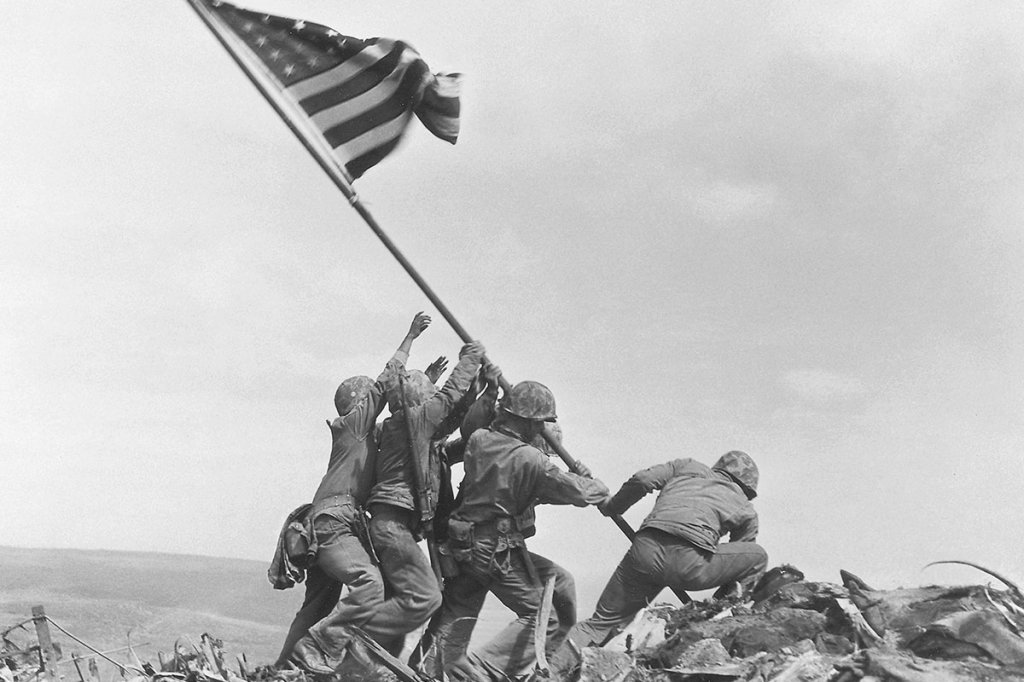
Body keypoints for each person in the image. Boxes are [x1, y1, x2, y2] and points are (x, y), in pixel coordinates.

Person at [422, 381, 609, 681]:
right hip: (494, 551)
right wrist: (593, 483)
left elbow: (527, 487)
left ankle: (426, 670)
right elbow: (578, 493)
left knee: (458, 615)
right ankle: (485, 670)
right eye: (539, 424)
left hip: (463, 546)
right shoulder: (530, 459)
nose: (540, 429)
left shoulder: (480, 440)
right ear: (528, 421)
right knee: (544, 616)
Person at [279, 312, 431, 674]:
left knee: (317, 605)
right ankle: (320, 651)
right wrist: (409, 338)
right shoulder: (353, 425)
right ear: (359, 404)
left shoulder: (359, 436)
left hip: (324, 523)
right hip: (335, 522)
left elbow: (403, 413)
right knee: (370, 584)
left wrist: (427, 384)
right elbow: (385, 384)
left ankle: (281, 670)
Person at [548, 451, 768, 678]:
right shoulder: (745, 508)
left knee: (599, 624)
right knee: (758, 556)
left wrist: (614, 507)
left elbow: (643, 480)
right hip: (690, 565)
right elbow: (739, 561)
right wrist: (721, 601)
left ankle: (549, 673)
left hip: (644, 552)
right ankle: (720, 616)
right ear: (747, 487)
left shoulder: (686, 466)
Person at [362, 338, 488, 655]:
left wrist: (480, 391)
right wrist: (470, 358)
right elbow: (449, 399)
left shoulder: (404, 429)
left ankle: (373, 661)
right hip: (392, 526)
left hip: (394, 525)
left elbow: (456, 421)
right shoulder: (414, 421)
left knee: (401, 603)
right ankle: (348, 639)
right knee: (427, 597)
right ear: (421, 401)